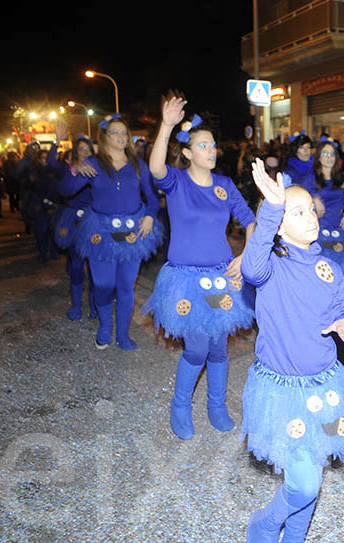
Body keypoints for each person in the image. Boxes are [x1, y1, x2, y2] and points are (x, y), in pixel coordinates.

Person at [240, 159, 344, 543]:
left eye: (310, 210)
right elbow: (250, 268)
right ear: (280, 227)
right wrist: (269, 209)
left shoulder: (329, 268)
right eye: (295, 213)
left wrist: (342, 320)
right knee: (303, 482)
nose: (309, 217)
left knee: (310, 471)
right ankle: (264, 524)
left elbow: (340, 304)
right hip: (280, 391)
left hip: (325, 388)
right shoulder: (270, 266)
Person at [142, 96, 256, 439]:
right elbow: (155, 168)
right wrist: (165, 125)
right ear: (188, 152)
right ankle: (180, 404)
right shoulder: (176, 182)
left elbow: (250, 220)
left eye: (213, 145)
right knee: (197, 348)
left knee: (219, 347)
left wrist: (245, 254)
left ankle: (216, 405)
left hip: (222, 276)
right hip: (185, 279)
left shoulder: (225, 186)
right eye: (202, 145)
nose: (211, 150)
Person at [63, 114, 162, 350]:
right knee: (104, 284)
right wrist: (75, 170)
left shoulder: (139, 165)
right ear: (105, 137)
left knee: (126, 286)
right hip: (100, 232)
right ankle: (105, 326)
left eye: (124, 133)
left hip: (133, 232)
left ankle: (123, 334)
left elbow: (153, 198)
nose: (120, 136)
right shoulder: (94, 164)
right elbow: (66, 190)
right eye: (115, 132)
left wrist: (149, 215)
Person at [53, 126, 98, 321]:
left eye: (88, 149)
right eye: (81, 149)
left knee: (96, 266)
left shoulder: (98, 170)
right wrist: (57, 142)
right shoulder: (69, 169)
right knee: (77, 265)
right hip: (74, 222)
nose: (85, 153)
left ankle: (95, 306)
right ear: (75, 152)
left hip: (94, 221)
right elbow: (50, 164)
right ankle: (76, 306)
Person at [312, 136, 344, 288]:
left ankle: (334, 305)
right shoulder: (311, 178)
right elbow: (296, 199)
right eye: (325, 153)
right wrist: (313, 200)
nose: (329, 157)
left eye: (332, 154)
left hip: (339, 232)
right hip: (318, 234)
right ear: (318, 157)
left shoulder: (341, 177)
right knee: (323, 279)